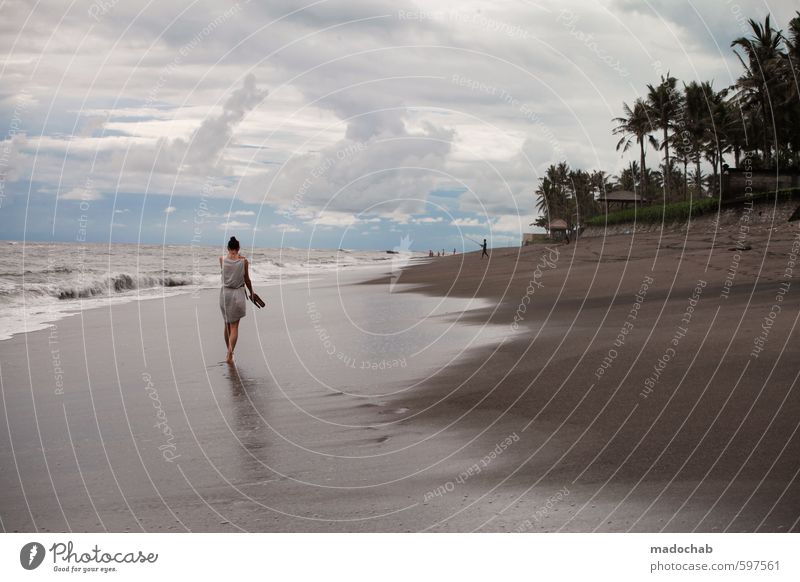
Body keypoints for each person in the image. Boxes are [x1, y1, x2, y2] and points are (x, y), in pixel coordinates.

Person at [219, 236, 255, 364]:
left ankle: (229, 351)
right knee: (235, 326)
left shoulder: (222, 259)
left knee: (226, 324)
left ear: (228, 248)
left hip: (224, 294)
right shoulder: (244, 262)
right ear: (238, 248)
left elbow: (224, 273)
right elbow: (247, 280)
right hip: (238, 294)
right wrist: (252, 292)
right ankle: (229, 354)